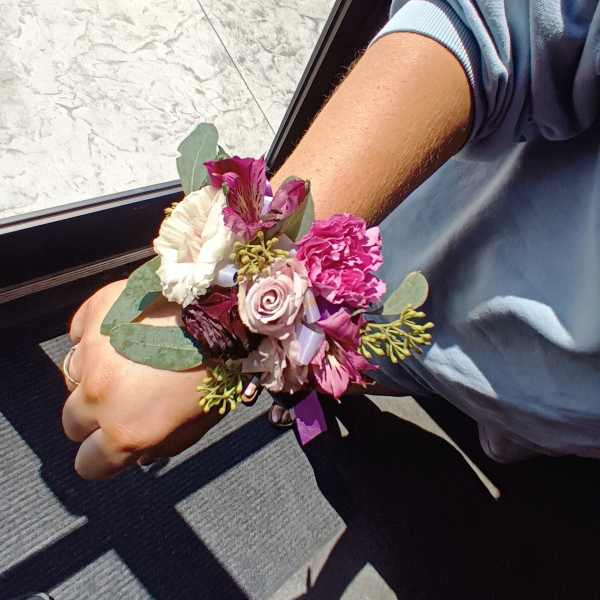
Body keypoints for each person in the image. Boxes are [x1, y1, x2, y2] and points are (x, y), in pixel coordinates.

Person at [61, 0, 600, 479]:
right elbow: (504, 25)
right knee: (346, 360)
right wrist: (198, 341)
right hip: (420, 283)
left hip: (551, 419)